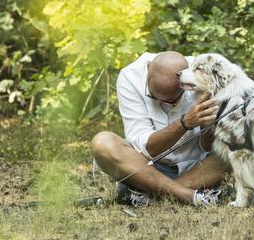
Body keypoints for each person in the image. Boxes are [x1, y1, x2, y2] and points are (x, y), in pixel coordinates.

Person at [90, 51, 230, 207]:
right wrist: (185, 123)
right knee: (102, 142)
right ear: (148, 70)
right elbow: (145, 147)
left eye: (170, 100)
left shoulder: (204, 74)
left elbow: (207, 145)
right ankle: (190, 196)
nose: (160, 102)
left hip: (199, 168)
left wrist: (209, 124)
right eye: (153, 96)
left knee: (235, 148)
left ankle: (151, 196)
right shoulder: (130, 77)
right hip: (148, 168)